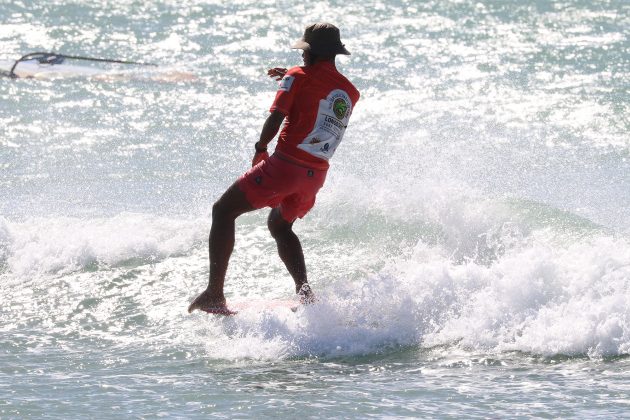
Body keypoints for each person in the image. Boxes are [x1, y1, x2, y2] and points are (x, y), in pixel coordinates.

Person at [188, 23, 360, 314]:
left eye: (306, 52)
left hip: (285, 167)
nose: (302, 56)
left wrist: (260, 148)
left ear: (314, 51)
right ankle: (305, 294)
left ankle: (214, 294)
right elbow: (317, 103)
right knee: (280, 225)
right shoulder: (348, 92)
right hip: (315, 175)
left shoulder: (298, 76)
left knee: (223, 211)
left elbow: (278, 116)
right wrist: (291, 79)